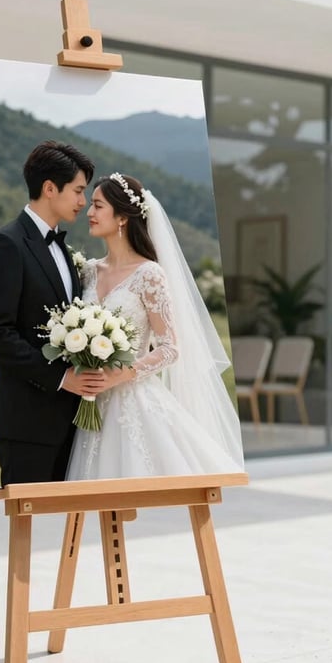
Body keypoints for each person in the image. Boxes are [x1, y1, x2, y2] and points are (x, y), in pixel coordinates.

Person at [66, 173, 244, 480]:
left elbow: (170, 348)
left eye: (97, 206)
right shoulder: (88, 271)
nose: (90, 213)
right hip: (89, 402)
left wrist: (122, 373)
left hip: (133, 402)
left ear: (122, 216)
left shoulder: (150, 274)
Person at [0, 141, 106, 486]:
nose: (82, 202)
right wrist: (62, 379)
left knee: (62, 531)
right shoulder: (5, 245)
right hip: (25, 422)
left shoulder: (63, 248)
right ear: (50, 188)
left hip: (70, 421)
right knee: (28, 529)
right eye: (78, 191)